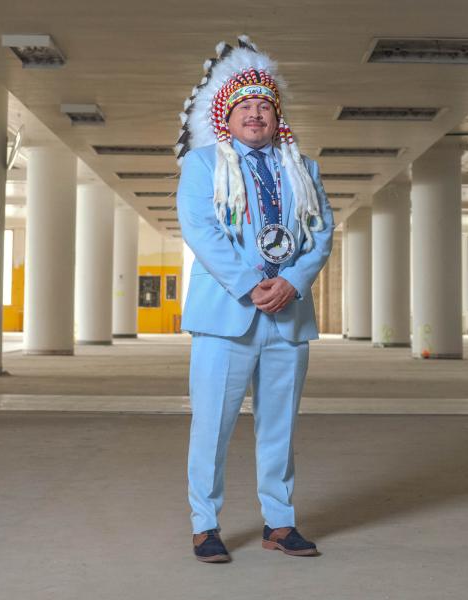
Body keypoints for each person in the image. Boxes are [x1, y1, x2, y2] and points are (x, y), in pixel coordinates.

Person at [175, 36, 334, 563]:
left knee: (280, 427)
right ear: (227, 115)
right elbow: (201, 230)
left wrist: (293, 281)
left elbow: (321, 232)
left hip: (288, 316)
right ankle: (206, 525)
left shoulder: (303, 169)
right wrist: (251, 284)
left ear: (277, 116)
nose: (256, 113)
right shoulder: (202, 165)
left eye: (265, 105)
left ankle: (280, 522)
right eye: (244, 105)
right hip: (227, 318)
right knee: (212, 426)